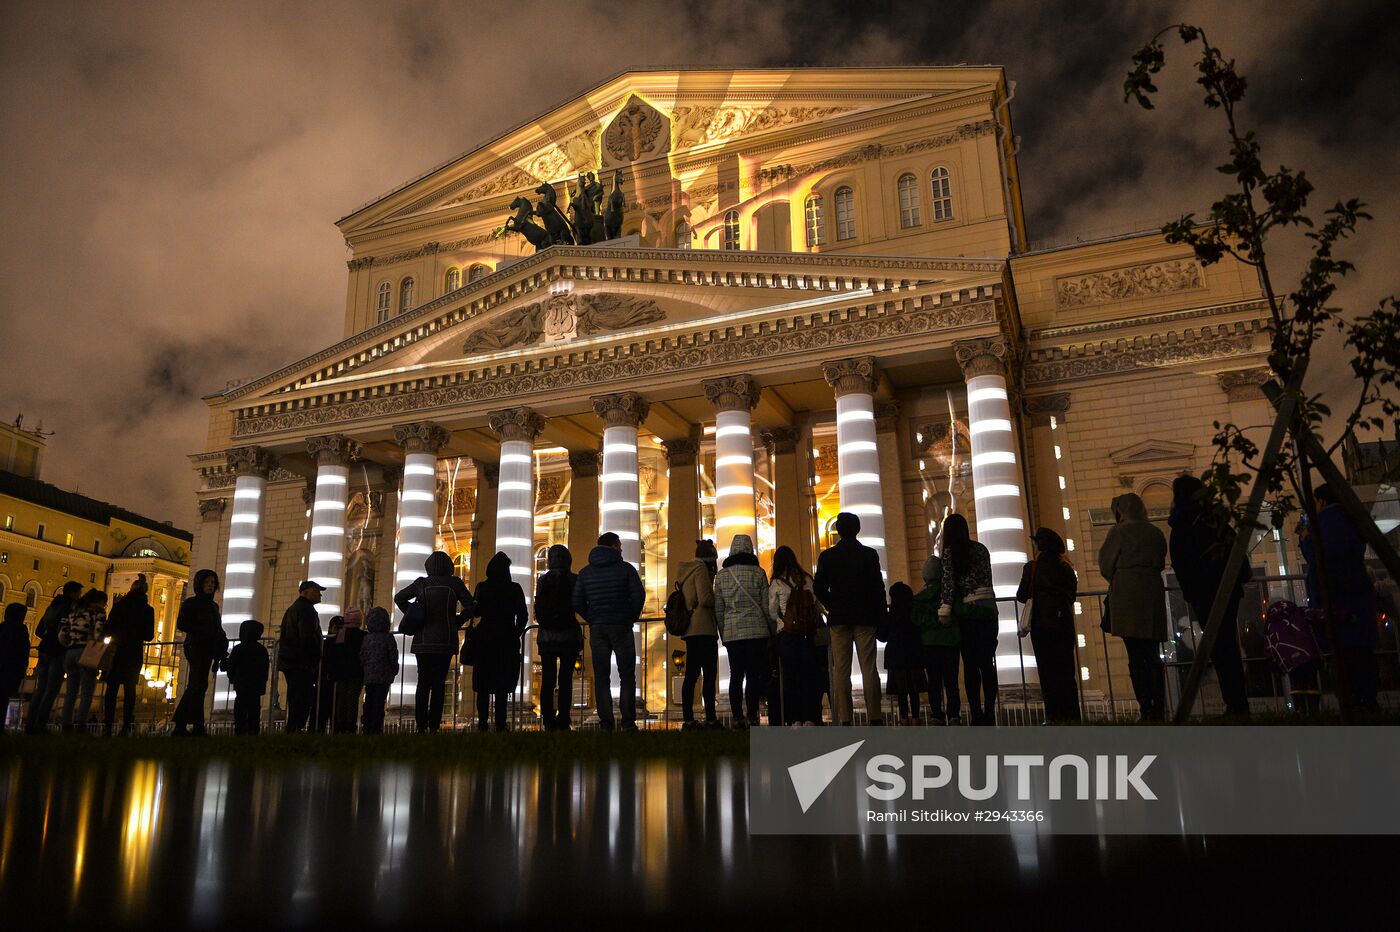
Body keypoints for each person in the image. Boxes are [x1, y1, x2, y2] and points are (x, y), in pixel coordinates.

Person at [1169, 475, 1251, 717]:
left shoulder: (1183, 522)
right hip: (1225, 589)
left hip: (1204, 592)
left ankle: (1235, 704)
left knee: (1220, 647)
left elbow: (1182, 560)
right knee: (1227, 645)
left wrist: (1191, 591)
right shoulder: (1214, 519)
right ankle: (1237, 702)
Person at [1301, 484, 1382, 711]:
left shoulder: (1324, 525)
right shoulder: (1351, 519)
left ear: (1321, 502)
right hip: (1356, 596)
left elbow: (1316, 555)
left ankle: (1353, 704)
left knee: (1344, 657)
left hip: (1335, 599)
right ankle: (1368, 701)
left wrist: (1305, 537)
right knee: (1362, 655)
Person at [1099, 492, 1168, 721]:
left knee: (1136, 655)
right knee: (1153, 654)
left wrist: (1121, 577)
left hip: (1128, 595)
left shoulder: (1119, 532)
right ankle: (1159, 706)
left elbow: (1106, 564)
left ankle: (1146, 706)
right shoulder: (1155, 532)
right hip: (1152, 592)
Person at [813, 512, 887, 726]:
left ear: (838, 529)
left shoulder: (827, 557)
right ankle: (875, 716)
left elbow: (818, 588)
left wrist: (831, 605)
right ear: (858, 529)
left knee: (841, 671)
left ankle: (845, 717)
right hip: (865, 617)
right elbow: (877, 588)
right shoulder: (869, 555)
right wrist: (881, 613)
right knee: (868, 668)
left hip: (839, 618)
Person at [394, 550, 474, 732]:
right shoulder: (454, 583)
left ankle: (421, 725)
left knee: (423, 683)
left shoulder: (422, 583)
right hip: (445, 640)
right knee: (439, 684)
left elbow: (399, 598)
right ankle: (434, 725)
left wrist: (415, 615)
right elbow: (470, 606)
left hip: (422, 640)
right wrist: (456, 621)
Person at [572, 532, 645, 731]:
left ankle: (606, 722)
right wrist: (630, 616)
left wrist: (593, 618)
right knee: (627, 674)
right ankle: (628, 721)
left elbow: (577, 601)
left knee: (601, 676)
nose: (621, 549)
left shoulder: (586, 572)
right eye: (619, 545)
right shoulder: (626, 569)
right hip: (621, 626)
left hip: (598, 629)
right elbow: (638, 595)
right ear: (613, 546)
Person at [1016, 528, 1082, 723]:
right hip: (1064, 623)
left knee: (1047, 671)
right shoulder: (1066, 568)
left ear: (1039, 546)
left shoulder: (1032, 568)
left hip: (1041, 624)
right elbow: (1072, 594)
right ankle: (1071, 715)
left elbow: (1021, 595)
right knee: (1067, 671)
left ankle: (1053, 714)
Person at [940, 514, 998, 725]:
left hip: (968, 613)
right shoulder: (981, 549)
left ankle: (976, 713)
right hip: (989, 611)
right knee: (987, 663)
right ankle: (990, 712)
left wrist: (945, 610)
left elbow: (948, 585)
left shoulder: (950, 553)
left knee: (971, 665)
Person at [713, 534, 773, 728]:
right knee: (753, 674)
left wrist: (724, 633)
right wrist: (771, 630)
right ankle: (753, 715)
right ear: (750, 549)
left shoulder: (722, 576)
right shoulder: (759, 573)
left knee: (735, 675)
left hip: (732, 632)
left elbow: (719, 609)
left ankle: (738, 717)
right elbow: (766, 606)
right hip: (757, 631)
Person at [469, 551, 528, 731]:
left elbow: (476, 612)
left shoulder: (482, 587)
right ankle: (501, 723)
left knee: (483, 685)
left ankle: (482, 722)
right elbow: (523, 616)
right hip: (506, 639)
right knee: (503, 684)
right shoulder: (514, 588)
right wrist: (515, 633)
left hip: (485, 638)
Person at [769, 544, 823, 726]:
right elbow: (816, 604)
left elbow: (771, 611)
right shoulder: (807, 579)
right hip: (807, 634)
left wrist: (781, 624)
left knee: (790, 677)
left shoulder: (777, 582)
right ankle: (811, 718)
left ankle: (794, 719)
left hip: (787, 635)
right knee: (809, 675)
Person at [172, 569, 226, 736]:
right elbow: (182, 623)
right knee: (197, 685)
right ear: (199, 584)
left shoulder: (213, 606)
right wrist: (202, 630)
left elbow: (217, 628)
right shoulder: (191, 603)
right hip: (195, 646)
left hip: (208, 648)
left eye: (212, 582)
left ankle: (185, 725)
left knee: (199, 686)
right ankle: (194, 726)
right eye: (207, 582)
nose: (210, 585)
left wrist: (221, 645)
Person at [534, 544, 582, 731]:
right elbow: (578, 604)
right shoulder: (574, 579)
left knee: (547, 679)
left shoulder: (543, 580)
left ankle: (547, 719)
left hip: (546, 637)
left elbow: (538, 607)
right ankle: (563, 718)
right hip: (568, 635)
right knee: (565, 680)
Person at [26, 579, 82, 733]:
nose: (79, 597)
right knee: (51, 689)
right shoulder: (69, 608)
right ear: (73, 594)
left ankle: (30, 724)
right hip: (58, 651)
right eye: (78, 593)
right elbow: (67, 630)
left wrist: (48, 635)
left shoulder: (52, 607)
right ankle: (40, 724)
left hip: (44, 649)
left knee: (40, 689)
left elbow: (38, 630)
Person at [103, 574, 156, 735]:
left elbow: (108, 629)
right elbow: (148, 635)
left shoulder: (119, 606)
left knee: (111, 689)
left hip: (116, 649)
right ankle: (126, 725)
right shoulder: (148, 610)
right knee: (130, 689)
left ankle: (108, 726)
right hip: (134, 652)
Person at [677, 540, 722, 730]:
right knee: (709, 676)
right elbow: (704, 598)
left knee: (691, 675)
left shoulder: (684, 571)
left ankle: (688, 718)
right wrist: (720, 598)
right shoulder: (701, 569)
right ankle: (710, 718)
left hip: (690, 630)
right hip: (703, 628)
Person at [913, 554, 959, 724]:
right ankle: (954, 714)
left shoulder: (919, 598)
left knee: (934, 681)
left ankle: (936, 714)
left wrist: (931, 622)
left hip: (929, 643)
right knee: (951, 681)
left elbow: (917, 619)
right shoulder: (949, 595)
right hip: (950, 641)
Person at [278, 581, 326, 733]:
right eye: (317, 591)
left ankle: (294, 727)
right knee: (301, 698)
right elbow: (307, 636)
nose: (320, 594)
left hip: (292, 660)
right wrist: (314, 658)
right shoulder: (306, 610)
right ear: (306, 592)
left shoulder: (294, 608)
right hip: (300, 661)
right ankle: (294, 728)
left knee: (296, 696)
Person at [59, 588, 107, 733]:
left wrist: (69, 644)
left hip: (70, 652)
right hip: (87, 651)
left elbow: (62, 633)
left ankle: (66, 725)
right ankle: (81, 725)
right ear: (98, 601)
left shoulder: (73, 612)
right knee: (87, 691)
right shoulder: (98, 612)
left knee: (71, 691)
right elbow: (99, 632)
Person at [884, 582, 926, 725]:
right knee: (914, 690)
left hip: (896, 658)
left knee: (901, 692)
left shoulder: (891, 615)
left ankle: (903, 718)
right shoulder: (914, 613)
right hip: (914, 655)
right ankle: (915, 717)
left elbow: (883, 635)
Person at [223, 619, 269, 735]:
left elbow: (231, 666)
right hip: (256, 686)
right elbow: (264, 669)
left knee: (240, 709)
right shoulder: (262, 650)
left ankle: (240, 731)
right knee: (254, 709)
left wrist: (232, 677)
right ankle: (254, 731)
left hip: (242, 685)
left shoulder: (239, 649)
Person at [359, 606, 398, 734]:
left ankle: (367, 725)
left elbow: (362, 655)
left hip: (369, 675)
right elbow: (393, 655)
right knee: (379, 702)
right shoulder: (388, 637)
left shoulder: (367, 638)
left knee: (369, 700)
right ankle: (376, 726)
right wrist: (394, 669)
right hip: (384, 675)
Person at [331, 607, 365, 734]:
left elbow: (337, 653)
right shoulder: (363, 636)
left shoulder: (340, 635)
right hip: (356, 672)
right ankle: (350, 724)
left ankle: (340, 724)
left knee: (342, 698)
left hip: (341, 672)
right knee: (352, 698)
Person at [0, 603, 32, 725]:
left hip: (5, 667)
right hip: (11, 669)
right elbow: (24, 650)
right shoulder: (21, 629)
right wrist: (23, 667)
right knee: (4, 698)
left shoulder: (2, 627)